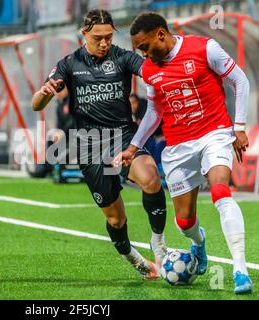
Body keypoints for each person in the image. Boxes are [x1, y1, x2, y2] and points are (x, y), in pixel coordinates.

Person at [114, 12, 252, 294]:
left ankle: (240, 269)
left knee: (220, 192)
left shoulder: (205, 48)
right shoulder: (150, 71)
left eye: (144, 47)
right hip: (177, 146)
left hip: (214, 133)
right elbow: (155, 111)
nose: (142, 54)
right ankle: (198, 242)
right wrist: (133, 147)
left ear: (161, 35)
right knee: (184, 221)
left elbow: (240, 81)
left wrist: (238, 127)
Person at [31, 9, 168, 280]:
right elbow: (36, 105)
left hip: (123, 137)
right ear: (84, 35)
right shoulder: (69, 64)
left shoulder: (123, 57)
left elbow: (151, 71)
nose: (105, 43)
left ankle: (159, 243)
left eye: (108, 37)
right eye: (98, 38)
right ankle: (129, 253)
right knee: (116, 219)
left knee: (151, 178)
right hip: (90, 145)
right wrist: (44, 94)